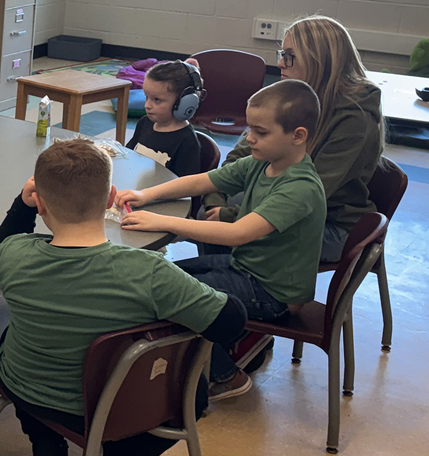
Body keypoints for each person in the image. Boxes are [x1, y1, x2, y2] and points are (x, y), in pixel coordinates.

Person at [0, 140, 247, 456]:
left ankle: (46, 448)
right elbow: (230, 322)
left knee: (12, 339)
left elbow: (0, 245)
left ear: (41, 202)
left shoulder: (13, 258)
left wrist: (22, 205)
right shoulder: (149, 273)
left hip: (31, 393)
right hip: (119, 411)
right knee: (194, 395)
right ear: (111, 197)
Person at [116, 80, 327, 401]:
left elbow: (237, 233)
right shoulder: (263, 163)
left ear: (298, 136)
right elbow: (204, 180)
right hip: (245, 268)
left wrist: (161, 220)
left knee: (168, 293)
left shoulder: (300, 187)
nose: (249, 139)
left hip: (272, 292)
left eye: (261, 132)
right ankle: (198, 356)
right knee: (158, 277)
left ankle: (225, 375)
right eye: (249, 130)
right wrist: (146, 194)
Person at [203, 16, 383, 264]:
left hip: (331, 224)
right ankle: (225, 286)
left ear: (319, 61)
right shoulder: (290, 99)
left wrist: (231, 215)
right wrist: (216, 200)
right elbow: (236, 160)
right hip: (276, 198)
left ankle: (247, 295)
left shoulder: (355, 119)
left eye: (289, 56)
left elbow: (305, 197)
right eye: (281, 53)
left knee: (230, 231)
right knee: (208, 213)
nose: (280, 63)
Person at [126, 60, 203, 178]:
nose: (147, 105)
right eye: (147, 97)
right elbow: (128, 155)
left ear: (184, 103)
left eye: (157, 100)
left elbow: (187, 188)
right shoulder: (144, 123)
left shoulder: (187, 141)